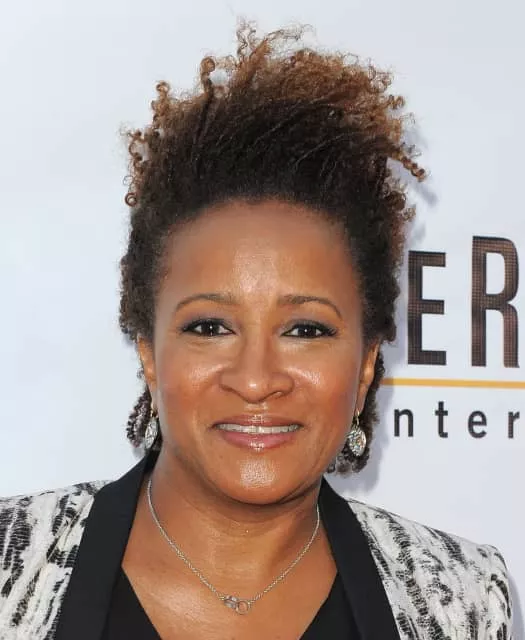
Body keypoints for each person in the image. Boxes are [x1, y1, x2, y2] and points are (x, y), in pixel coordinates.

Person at [0, 23, 512, 640]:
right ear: (149, 355)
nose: (256, 380)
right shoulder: (11, 564)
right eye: (210, 326)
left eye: (306, 329)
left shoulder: (461, 598)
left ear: (366, 367)